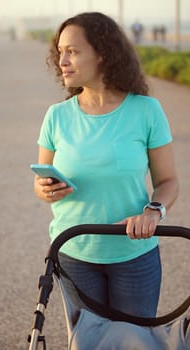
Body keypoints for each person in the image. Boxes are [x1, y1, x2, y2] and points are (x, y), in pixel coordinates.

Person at [34, 12, 179, 318]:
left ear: (102, 54)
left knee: (134, 340)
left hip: (134, 255)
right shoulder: (56, 116)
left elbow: (168, 181)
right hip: (74, 251)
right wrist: (45, 189)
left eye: (72, 51)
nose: (62, 61)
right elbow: (41, 182)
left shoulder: (146, 111)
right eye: (60, 52)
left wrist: (153, 211)